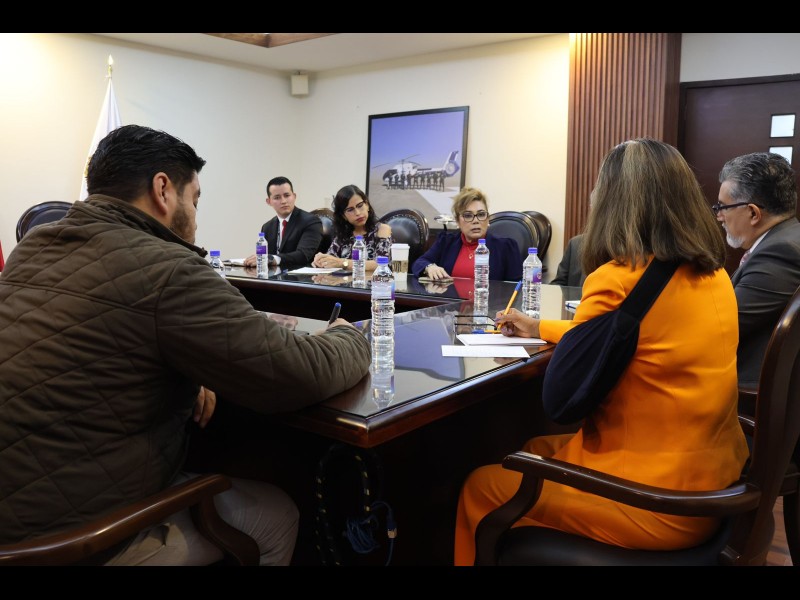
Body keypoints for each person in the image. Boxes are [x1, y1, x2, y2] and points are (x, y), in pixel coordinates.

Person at [0, 125, 371, 566]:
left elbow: (99, 343)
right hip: (70, 541)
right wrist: (351, 334)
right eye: (195, 199)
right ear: (163, 190)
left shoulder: (35, 246)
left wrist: (188, 372)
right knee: (277, 515)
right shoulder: (168, 267)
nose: (195, 217)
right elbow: (297, 373)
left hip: (16, 510)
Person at [453, 139, 748, 565]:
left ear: (611, 202)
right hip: (715, 485)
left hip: (652, 500)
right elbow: (624, 333)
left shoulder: (617, 278)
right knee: (534, 445)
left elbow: (561, 398)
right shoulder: (714, 274)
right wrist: (539, 327)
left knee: (481, 485)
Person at [716, 151, 800, 389]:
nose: (719, 216)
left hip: (750, 392)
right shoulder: (787, 238)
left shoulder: (782, 253)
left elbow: (722, 326)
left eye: (723, 207)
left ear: (753, 213)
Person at [412, 187, 522, 281]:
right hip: (450, 300)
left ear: (488, 219)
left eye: (481, 214)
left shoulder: (506, 247)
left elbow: (516, 288)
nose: (476, 221)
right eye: (468, 216)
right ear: (457, 221)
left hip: (491, 300)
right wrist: (430, 267)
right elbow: (419, 262)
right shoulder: (446, 242)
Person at [243, 176, 322, 271]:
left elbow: (303, 255)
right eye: (277, 197)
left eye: (287, 195)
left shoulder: (311, 221)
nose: (283, 201)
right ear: (269, 201)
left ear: (294, 196)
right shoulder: (267, 227)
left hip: (301, 277)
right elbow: (265, 257)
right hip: (273, 276)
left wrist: (273, 259)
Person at [312, 184, 392, 271]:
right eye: (350, 210)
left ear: (367, 205)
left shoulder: (382, 229)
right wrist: (321, 261)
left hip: (373, 279)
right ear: (344, 216)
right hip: (345, 279)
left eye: (360, 206)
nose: (357, 213)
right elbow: (331, 260)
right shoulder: (343, 234)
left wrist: (342, 263)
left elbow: (381, 264)